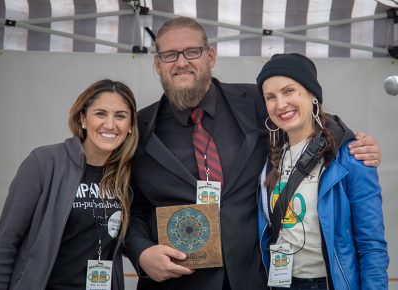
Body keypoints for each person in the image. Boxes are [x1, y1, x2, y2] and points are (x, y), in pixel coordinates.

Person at [124, 17, 381, 290]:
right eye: (169, 55)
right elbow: (128, 205)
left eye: (192, 51)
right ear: (157, 64)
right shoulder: (138, 130)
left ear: (210, 56)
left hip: (254, 279)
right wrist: (141, 253)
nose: (181, 62)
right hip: (176, 283)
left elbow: (307, 119)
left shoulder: (257, 103)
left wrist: (351, 140)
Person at [256, 53, 389, 289]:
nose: (280, 104)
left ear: (312, 94)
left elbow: (372, 245)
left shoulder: (351, 156)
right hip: (279, 283)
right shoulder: (268, 158)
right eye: (271, 97)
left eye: (289, 91)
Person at [0, 79, 139, 290]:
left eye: (120, 116)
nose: (110, 124)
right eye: (100, 113)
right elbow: (5, 242)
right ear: (82, 118)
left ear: (129, 126)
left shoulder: (127, 175)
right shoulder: (44, 162)